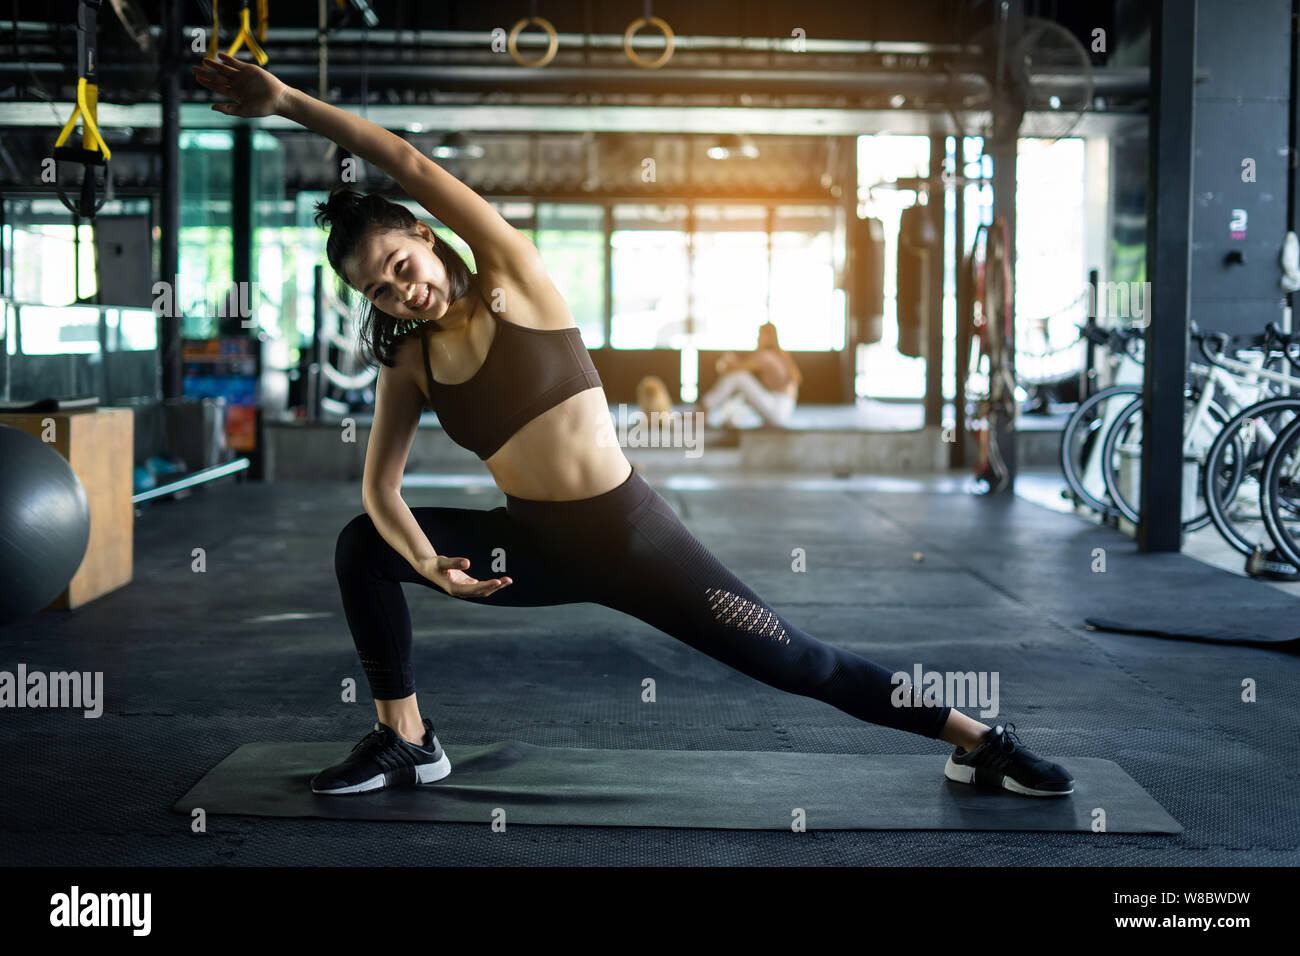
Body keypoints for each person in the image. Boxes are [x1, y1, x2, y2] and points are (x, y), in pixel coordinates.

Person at [193, 52, 1075, 799]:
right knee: (363, 546)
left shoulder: (515, 276)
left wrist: (288, 104)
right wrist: (427, 563)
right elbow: (380, 488)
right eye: (379, 290)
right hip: (529, 548)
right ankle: (410, 738)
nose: (400, 290)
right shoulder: (410, 360)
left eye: (399, 264)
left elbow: (410, 163)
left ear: (425, 237)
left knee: (799, 662)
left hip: (631, 537)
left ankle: (978, 741)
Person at [700, 322, 801, 428]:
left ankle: (704, 409)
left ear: (768, 336)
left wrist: (727, 358)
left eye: (760, 335)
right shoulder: (777, 356)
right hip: (782, 410)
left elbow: (733, 369)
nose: (758, 338)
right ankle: (727, 416)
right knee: (741, 390)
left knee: (739, 377)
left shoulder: (766, 356)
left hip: (777, 411)